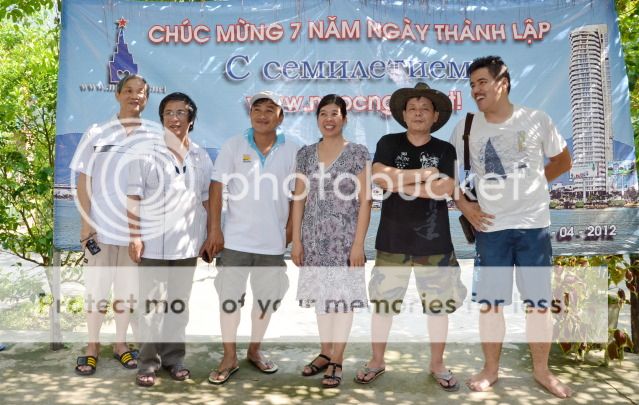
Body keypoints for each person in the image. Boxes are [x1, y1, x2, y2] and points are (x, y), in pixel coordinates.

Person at [451, 56, 573, 398]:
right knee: (491, 304)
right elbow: (446, 175)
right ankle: (491, 369)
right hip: (490, 229)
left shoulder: (536, 119)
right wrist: (466, 206)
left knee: (538, 304)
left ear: (502, 83)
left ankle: (542, 371)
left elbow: (563, 161)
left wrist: (533, 186)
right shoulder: (467, 127)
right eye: (472, 84)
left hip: (534, 226)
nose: (475, 90)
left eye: (482, 82)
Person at [355, 83, 466, 391]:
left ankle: (437, 364)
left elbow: (445, 189)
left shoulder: (445, 149)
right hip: (392, 240)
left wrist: (399, 181)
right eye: (413, 109)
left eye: (425, 109)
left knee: (438, 308)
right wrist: (424, 175)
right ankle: (377, 360)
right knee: (383, 305)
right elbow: (378, 176)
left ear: (435, 116)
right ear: (403, 114)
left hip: (435, 242)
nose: (418, 113)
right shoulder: (389, 142)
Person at [205, 91, 298, 384]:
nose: (262, 115)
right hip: (235, 242)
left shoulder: (294, 149)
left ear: (280, 117)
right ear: (250, 114)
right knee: (229, 301)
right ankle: (229, 356)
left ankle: (255, 350)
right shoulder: (234, 145)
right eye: (257, 109)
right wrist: (215, 229)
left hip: (272, 245)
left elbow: (299, 194)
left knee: (266, 301)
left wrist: (291, 231)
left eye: (270, 109)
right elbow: (216, 187)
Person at [127, 92, 213, 387]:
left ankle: (174, 359)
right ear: (161, 119)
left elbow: (206, 199)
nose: (174, 118)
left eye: (181, 113)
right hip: (153, 245)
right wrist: (135, 237)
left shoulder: (201, 156)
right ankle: (147, 363)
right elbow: (133, 198)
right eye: (168, 113)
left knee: (178, 306)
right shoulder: (145, 153)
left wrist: (211, 235)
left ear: (191, 119)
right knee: (151, 308)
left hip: (187, 245)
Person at [70, 74, 150, 376]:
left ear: (146, 98)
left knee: (126, 292)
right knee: (97, 291)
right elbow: (84, 180)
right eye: (128, 90)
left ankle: (120, 344)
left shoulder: (152, 137)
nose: (134, 96)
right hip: (100, 230)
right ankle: (92, 347)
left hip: (134, 233)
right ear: (118, 95)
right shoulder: (97, 132)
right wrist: (86, 223)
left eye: (140, 92)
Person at [291, 94, 372, 388]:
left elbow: (366, 200)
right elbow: (299, 198)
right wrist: (297, 241)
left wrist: (358, 244)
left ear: (344, 119)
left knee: (342, 299)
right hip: (313, 240)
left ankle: (337, 357)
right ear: (317, 119)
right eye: (323, 113)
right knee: (322, 297)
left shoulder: (358, 153)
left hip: (345, 240)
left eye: (335, 113)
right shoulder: (305, 154)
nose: (329, 119)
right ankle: (325, 352)